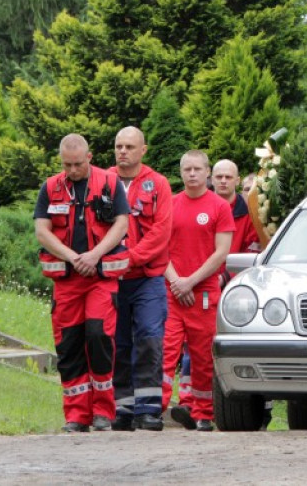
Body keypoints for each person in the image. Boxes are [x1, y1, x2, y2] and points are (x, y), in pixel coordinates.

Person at [35, 134, 130, 432]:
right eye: (66, 164)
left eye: (77, 164)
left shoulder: (110, 183)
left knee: (98, 335)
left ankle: (103, 411)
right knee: (69, 344)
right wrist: (73, 257)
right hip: (67, 280)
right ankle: (76, 415)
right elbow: (42, 231)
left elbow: (122, 223)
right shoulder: (51, 187)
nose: (72, 170)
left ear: (89, 158)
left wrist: (95, 255)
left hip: (100, 279)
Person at [162, 150, 234, 432]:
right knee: (165, 351)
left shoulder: (219, 207)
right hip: (172, 291)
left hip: (203, 294)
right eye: (187, 169)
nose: (192, 174)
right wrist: (176, 281)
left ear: (207, 173)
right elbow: (160, 249)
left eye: (197, 169)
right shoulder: (170, 204)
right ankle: (156, 409)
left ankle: (204, 413)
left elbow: (221, 253)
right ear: (181, 172)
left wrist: (189, 281)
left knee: (203, 357)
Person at [108, 127, 173, 431]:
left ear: (143, 150)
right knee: (117, 343)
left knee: (149, 338)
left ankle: (149, 410)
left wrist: (129, 258)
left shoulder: (158, 184)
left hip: (147, 278)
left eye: (130, 146)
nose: (123, 152)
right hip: (110, 279)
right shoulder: (101, 180)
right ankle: (122, 408)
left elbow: (161, 233)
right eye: (119, 146)